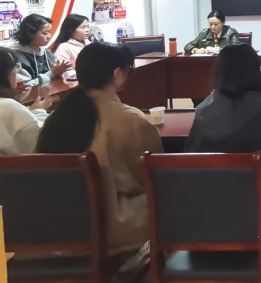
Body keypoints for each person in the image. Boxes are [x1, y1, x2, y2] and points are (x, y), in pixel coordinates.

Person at [35, 42, 163, 256]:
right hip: (108, 229)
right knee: (165, 191)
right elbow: (152, 176)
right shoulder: (129, 119)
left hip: (52, 228)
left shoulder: (57, 118)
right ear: (117, 74)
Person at [185, 45, 261, 229]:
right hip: (253, 216)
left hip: (205, 216)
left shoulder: (202, 111)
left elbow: (190, 158)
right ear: (255, 72)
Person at [0, 47, 52, 154]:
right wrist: (39, 111)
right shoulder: (8, 106)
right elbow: (39, 141)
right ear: (7, 73)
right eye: (15, 68)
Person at [10, 13, 71, 86]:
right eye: (45, 33)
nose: (49, 36)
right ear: (29, 34)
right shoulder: (13, 56)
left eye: (50, 32)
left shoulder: (47, 52)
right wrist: (52, 73)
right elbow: (23, 86)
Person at [51, 13, 90, 81]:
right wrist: (87, 76)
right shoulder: (64, 47)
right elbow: (66, 72)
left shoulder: (89, 43)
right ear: (71, 30)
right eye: (83, 27)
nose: (87, 30)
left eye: (88, 26)